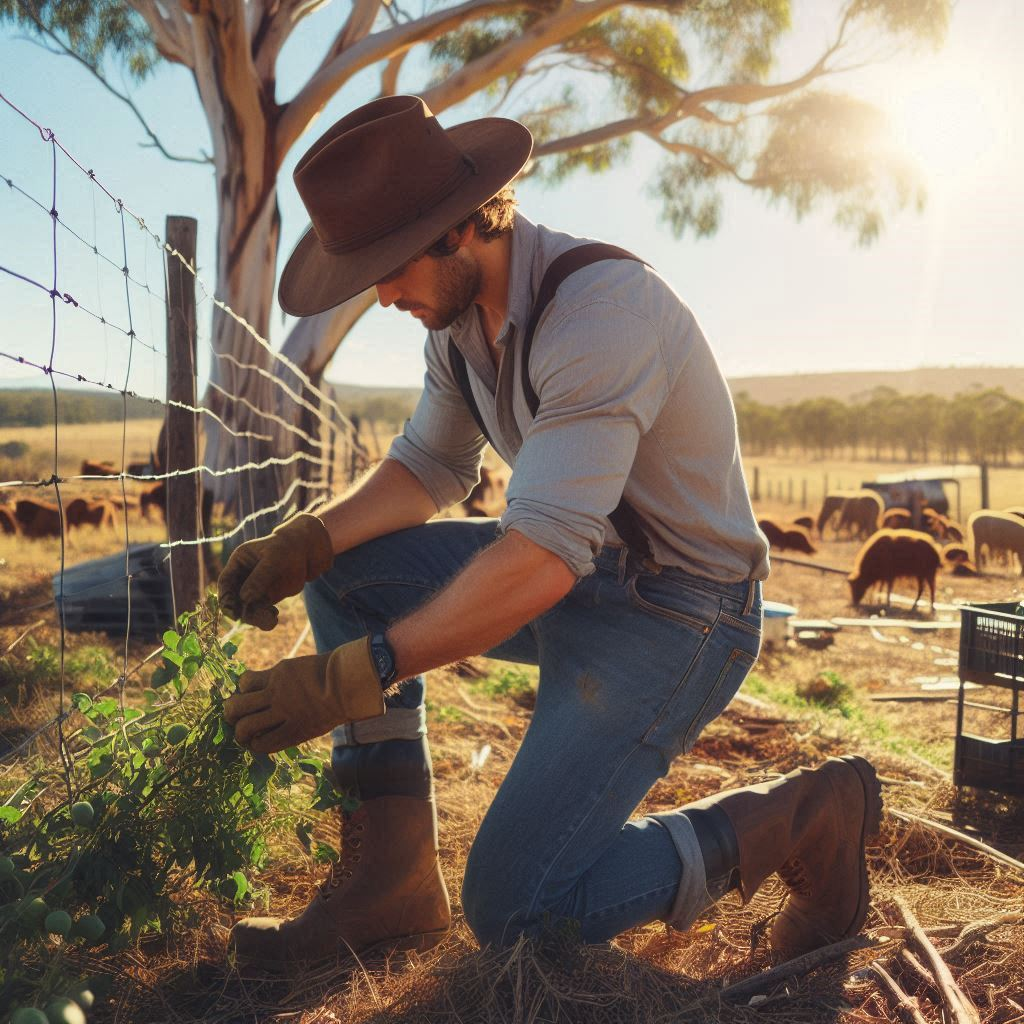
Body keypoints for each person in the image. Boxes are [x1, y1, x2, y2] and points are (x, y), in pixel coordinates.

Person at [218, 95, 882, 967]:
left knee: (516, 909)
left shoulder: (603, 313)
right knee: (344, 573)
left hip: (683, 615)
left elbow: (535, 566)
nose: (380, 297)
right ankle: (391, 888)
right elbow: (429, 466)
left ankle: (803, 818)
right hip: (580, 574)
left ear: (457, 229)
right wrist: (307, 542)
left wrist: (362, 673)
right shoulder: (457, 325)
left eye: (387, 267)